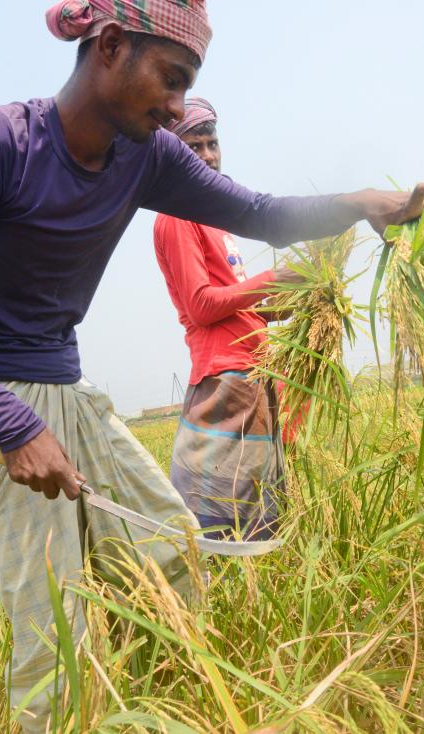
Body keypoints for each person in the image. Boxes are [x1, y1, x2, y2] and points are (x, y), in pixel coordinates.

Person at [0, 1, 424, 730]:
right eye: (171, 81)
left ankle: (152, 715)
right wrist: (11, 426)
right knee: (53, 627)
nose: (177, 109)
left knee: (170, 551)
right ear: (109, 46)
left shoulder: (147, 156)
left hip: (68, 388)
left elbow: (258, 212)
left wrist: (362, 204)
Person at [154, 97, 296, 542]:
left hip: (253, 376)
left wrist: (280, 304)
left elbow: (235, 304)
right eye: (193, 147)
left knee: (260, 517)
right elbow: (200, 304)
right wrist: (271, 279)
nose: (208, 156)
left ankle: (259, 596)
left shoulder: (215, 220)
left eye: (212, 143)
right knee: (214, 519)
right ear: (173, 156)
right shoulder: (176, 217)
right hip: (224, 380)